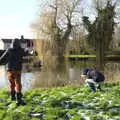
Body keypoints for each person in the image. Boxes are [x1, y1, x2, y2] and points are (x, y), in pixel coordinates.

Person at [0, 38, 27, 105]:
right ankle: (19, 99)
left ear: (12, 43)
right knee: (18, 84)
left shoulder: (9, 50)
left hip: (10, 70)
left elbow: (2, 59)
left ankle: (12, 97)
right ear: (19, 44)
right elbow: (26, 53)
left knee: (12, 84)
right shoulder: (21, 50)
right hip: (17, 70)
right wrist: (28, 51)